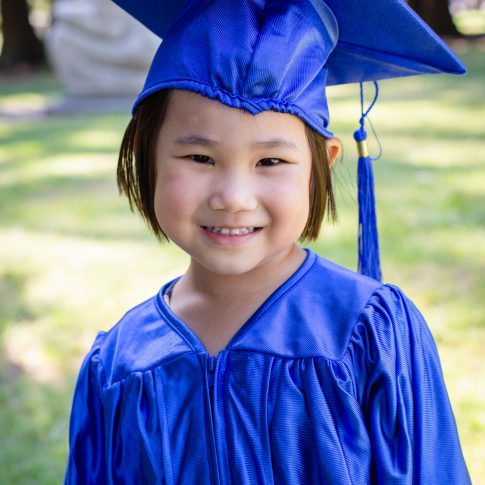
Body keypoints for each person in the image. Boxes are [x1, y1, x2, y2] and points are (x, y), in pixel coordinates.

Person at [65, 0, 472, 483]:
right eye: (199, 157)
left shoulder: (366, 332)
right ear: (144, 154)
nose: (234, 198)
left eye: (271, 162)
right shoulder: (118, 363)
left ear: (324, 161)